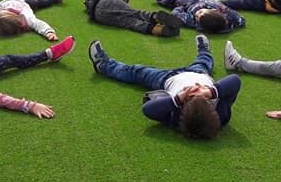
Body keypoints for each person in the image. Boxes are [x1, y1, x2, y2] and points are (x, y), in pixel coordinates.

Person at [88, 35, 241, 139]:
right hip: (199, 73)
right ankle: (204, 50)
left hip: (166, 79)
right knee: (204, 60)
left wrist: (179, 98)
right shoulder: (222, 115)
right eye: (204, 100)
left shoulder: (176, 118)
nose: (194, 91)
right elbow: (235, 81)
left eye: (190, 97)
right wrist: (209, 92)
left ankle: (103, 65)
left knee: (136, 71)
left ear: (183, 109)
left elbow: (147, 109)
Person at [84, 0, 183, 37]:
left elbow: (86, 3)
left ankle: (157, 30)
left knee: (130, 22)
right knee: (136, 14)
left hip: (98, 16)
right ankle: (155, 16)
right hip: (107, 1)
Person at [149, 0, 246, 33]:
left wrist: (181, 8)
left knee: (175, 0)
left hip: (189, 4)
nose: (197, 14)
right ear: (213, 10)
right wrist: (238, 22)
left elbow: (177, 14)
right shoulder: (226, 13)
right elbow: (240, 20)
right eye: (201, 13)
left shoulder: (192, 21)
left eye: (197, 17)